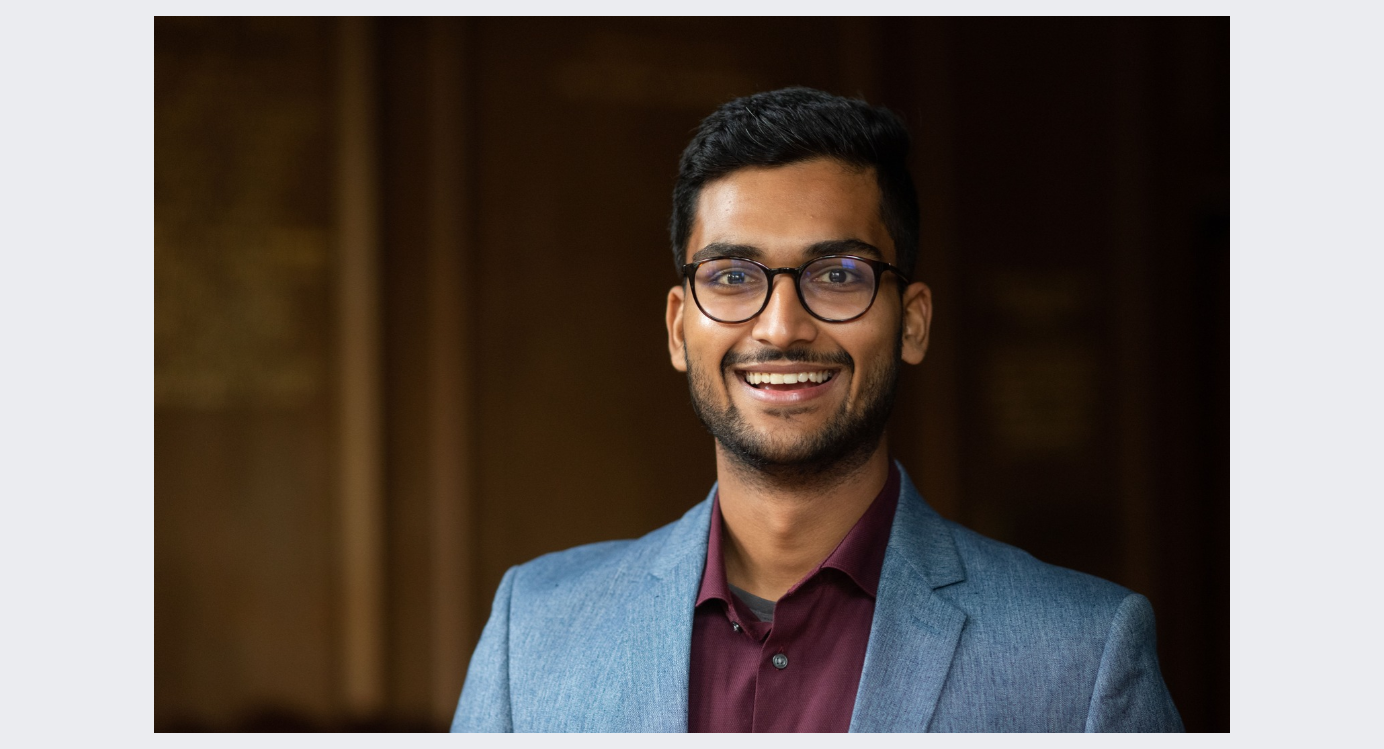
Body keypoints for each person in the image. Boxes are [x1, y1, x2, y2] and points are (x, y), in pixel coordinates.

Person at [451, 87, 1182, 733]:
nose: (781, 325)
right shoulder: (535, 633)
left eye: (838, 274)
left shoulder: (1082, 657)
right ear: (679, 327)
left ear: (913, 322)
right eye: (734, 275)